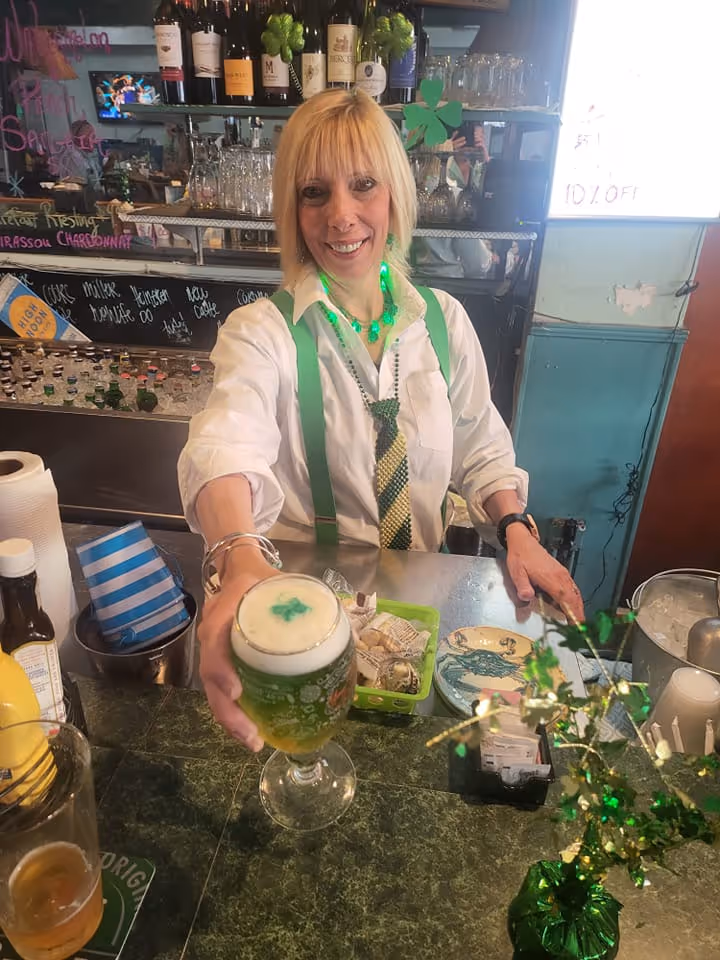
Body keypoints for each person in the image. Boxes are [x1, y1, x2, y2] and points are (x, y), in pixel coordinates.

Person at [177, 88, 583, 751]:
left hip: (416, 616)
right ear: (293, 211)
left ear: (393, 194)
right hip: (302, 623)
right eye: (314, 193)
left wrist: (514, 524)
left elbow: (481, 446)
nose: (341, 216)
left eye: (363, 185)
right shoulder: (263, 333)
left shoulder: (445, 322)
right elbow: (226, 442)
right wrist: (236, 550)